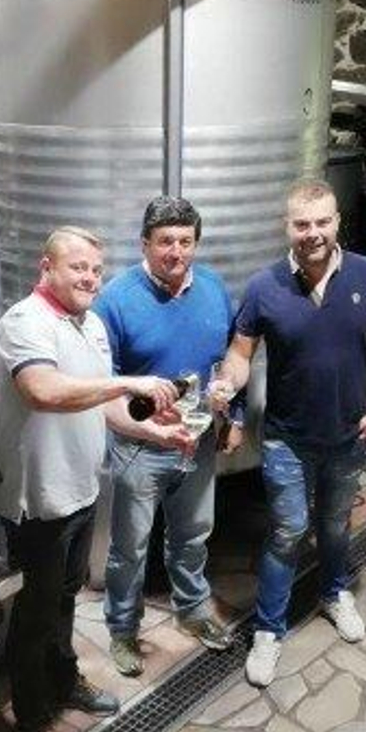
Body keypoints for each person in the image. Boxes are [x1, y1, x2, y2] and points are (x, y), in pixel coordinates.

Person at [0, 226, 179, 732]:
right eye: (78, 268)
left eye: (96, 270)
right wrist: (127, 383)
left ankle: (63, 679)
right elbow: (43, 391)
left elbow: (101, 404)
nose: (90, 278)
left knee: (66, 599)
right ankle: (32, 724)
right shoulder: (25, 323)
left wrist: (153, 431)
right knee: (34, 615)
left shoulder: (90, 324)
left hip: (81, 490)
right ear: (46, 267)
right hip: (39, 500)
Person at [216, 179, 366, 687]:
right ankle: (268, 630)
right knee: (287, 530)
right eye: (302, 224)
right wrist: (229, 381)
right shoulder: (265, 286)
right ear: (287, 227)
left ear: (337, 221)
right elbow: (240, 352)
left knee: (336, 523)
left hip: (350, 434)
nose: (313, 233)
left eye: (322, 221)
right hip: (287, 437)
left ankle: (333, 592)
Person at [93, 196, 239, 678]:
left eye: (185, 241)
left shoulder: (213, 288)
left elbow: (230, 359)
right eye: (165, 242)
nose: (176, 252)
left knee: (193, 535)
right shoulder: (116, 299)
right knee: (129, 549)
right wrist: (137, 427)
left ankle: (193, 611)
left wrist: (232, 412)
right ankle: (122, 629)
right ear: (145, 244)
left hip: (196, 443)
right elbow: (103, 382)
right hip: (141, 447)